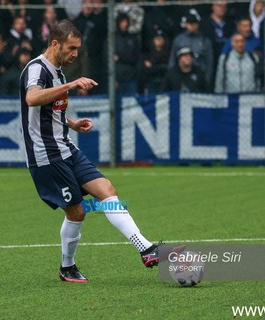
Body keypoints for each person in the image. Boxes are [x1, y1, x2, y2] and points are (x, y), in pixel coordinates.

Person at [19, 20, 180, 282]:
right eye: (72, 48)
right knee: (77, 211)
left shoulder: (58, 72)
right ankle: (67, 267)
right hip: (45, 155)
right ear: (54, 43)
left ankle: (146, 249)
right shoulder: (37, 69)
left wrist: (71, 123)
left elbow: (48, 109)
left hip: (66, 147)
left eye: (78, 49)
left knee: (107, 190)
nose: (75, 54)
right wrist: (71, 85)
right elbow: (32, 98)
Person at [168, 9, 214, 89]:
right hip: (180, 77)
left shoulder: (205, 40)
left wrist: (206, 80)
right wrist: (172, 78)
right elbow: (172, 60)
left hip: (199, 79)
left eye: (194, 23)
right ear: (186, 24)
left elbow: (209, 62)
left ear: (198, 24)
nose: (192, 26)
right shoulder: (179, 39)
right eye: (190, 23)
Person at [114, 13, 140, 95]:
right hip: (116, 78)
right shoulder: (112, 39)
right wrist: (112, 79)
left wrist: (120, 57)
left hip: (131, 77)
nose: (125, 24)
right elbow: (106, 60)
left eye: (126, 22)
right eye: (122, 22)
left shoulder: (133, 38)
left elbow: (135, 57)